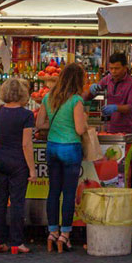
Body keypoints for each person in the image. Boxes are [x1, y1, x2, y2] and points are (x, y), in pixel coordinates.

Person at [36, 63, 88, 253]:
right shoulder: (76, 100)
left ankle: (52, 232)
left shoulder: (48, 97)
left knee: (53, 191)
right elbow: (80, 129)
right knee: (68, 193)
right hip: (70, 148)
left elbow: (39, 123)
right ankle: (65, 234)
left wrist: (55, 125)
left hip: (52, 147)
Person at [0, 78, 36, 254]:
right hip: (18, 163)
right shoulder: (27, 115)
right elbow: (26, 144)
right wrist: (32, 169)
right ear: (23, 94)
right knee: (17, 202)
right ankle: (17, 242)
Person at [83, 52, 132, 135]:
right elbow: (87, 98)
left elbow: (130, 107)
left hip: (126, 131)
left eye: (117, 68)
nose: (113, 71)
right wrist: (91, 90)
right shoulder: (106, 80)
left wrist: (115, 108)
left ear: (125, 68)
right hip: (108, 129)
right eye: (111, 68)